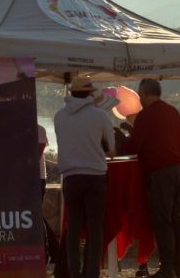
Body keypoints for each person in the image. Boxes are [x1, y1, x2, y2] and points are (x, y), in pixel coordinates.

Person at [124, 79, 180, 278]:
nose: (140, 99)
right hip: (179, 169)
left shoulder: (146, 115)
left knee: (163, 221)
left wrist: (126, 135)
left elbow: (135, 147)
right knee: (176, 219)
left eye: (140, 94)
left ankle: (167, 268)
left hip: (161, 172)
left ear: (144, 92)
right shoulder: (173, 112)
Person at [54, 76, 116, 278]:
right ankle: (91, 273)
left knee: (72, 228)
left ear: (71, 93)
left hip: (71, 177)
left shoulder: (59, 117)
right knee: (94, 229)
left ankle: (73, 272)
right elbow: (112, 150)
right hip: (95, 177)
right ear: (90, 94)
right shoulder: (100, 115)